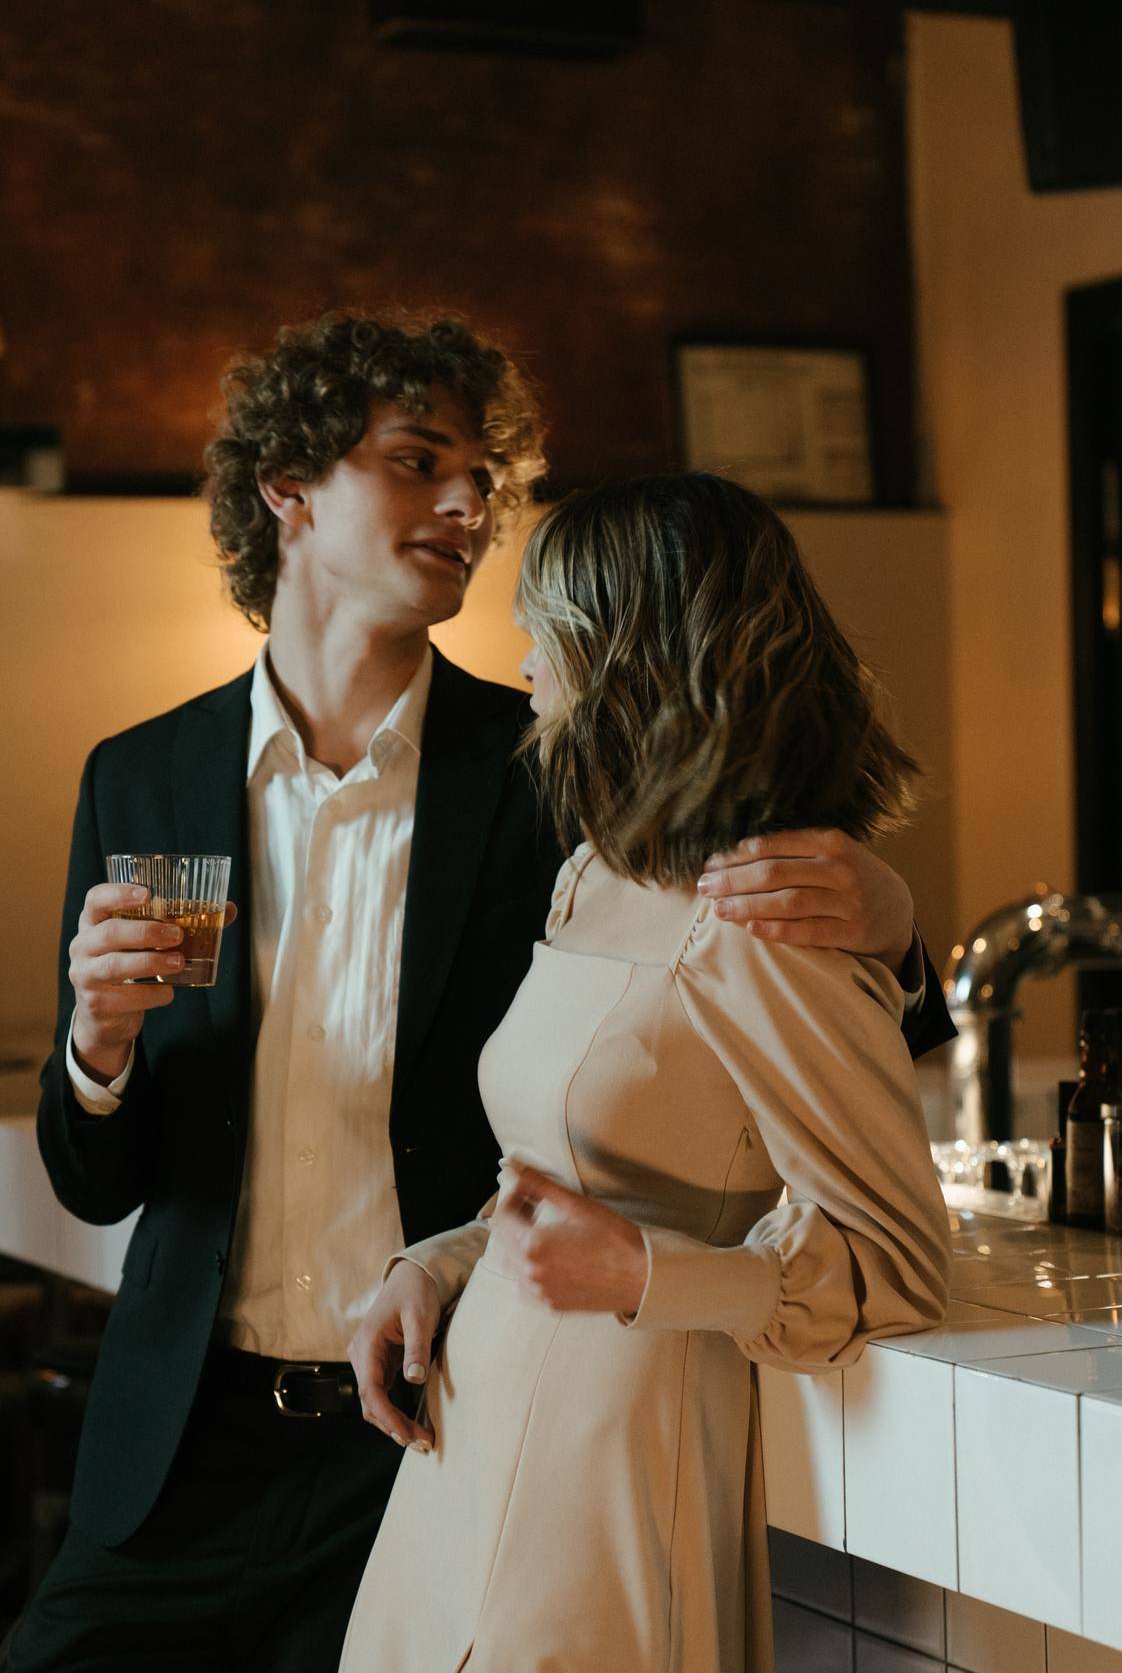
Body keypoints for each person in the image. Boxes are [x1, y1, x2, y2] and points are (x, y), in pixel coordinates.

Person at [11, 315, 953, 1673]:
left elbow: (788, 1024)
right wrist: (96, 1051)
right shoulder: (139, 776)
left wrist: (901, 930)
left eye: (483, 479)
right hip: (185, 1443)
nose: (470, 507)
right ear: (289, 487)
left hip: (432, 1425)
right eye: (417, 463)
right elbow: (100, 1179)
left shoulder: (560, 767)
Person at [339, 473, 952, 1673]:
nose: (521, 652)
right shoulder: (593, 874)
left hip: (616, 1455)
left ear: (630, 654)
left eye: (547, 624)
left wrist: (645, 1273)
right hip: (464, 1430)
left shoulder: (763, 909)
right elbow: (570, 1174)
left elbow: (897, 1261)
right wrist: (441, 1261)